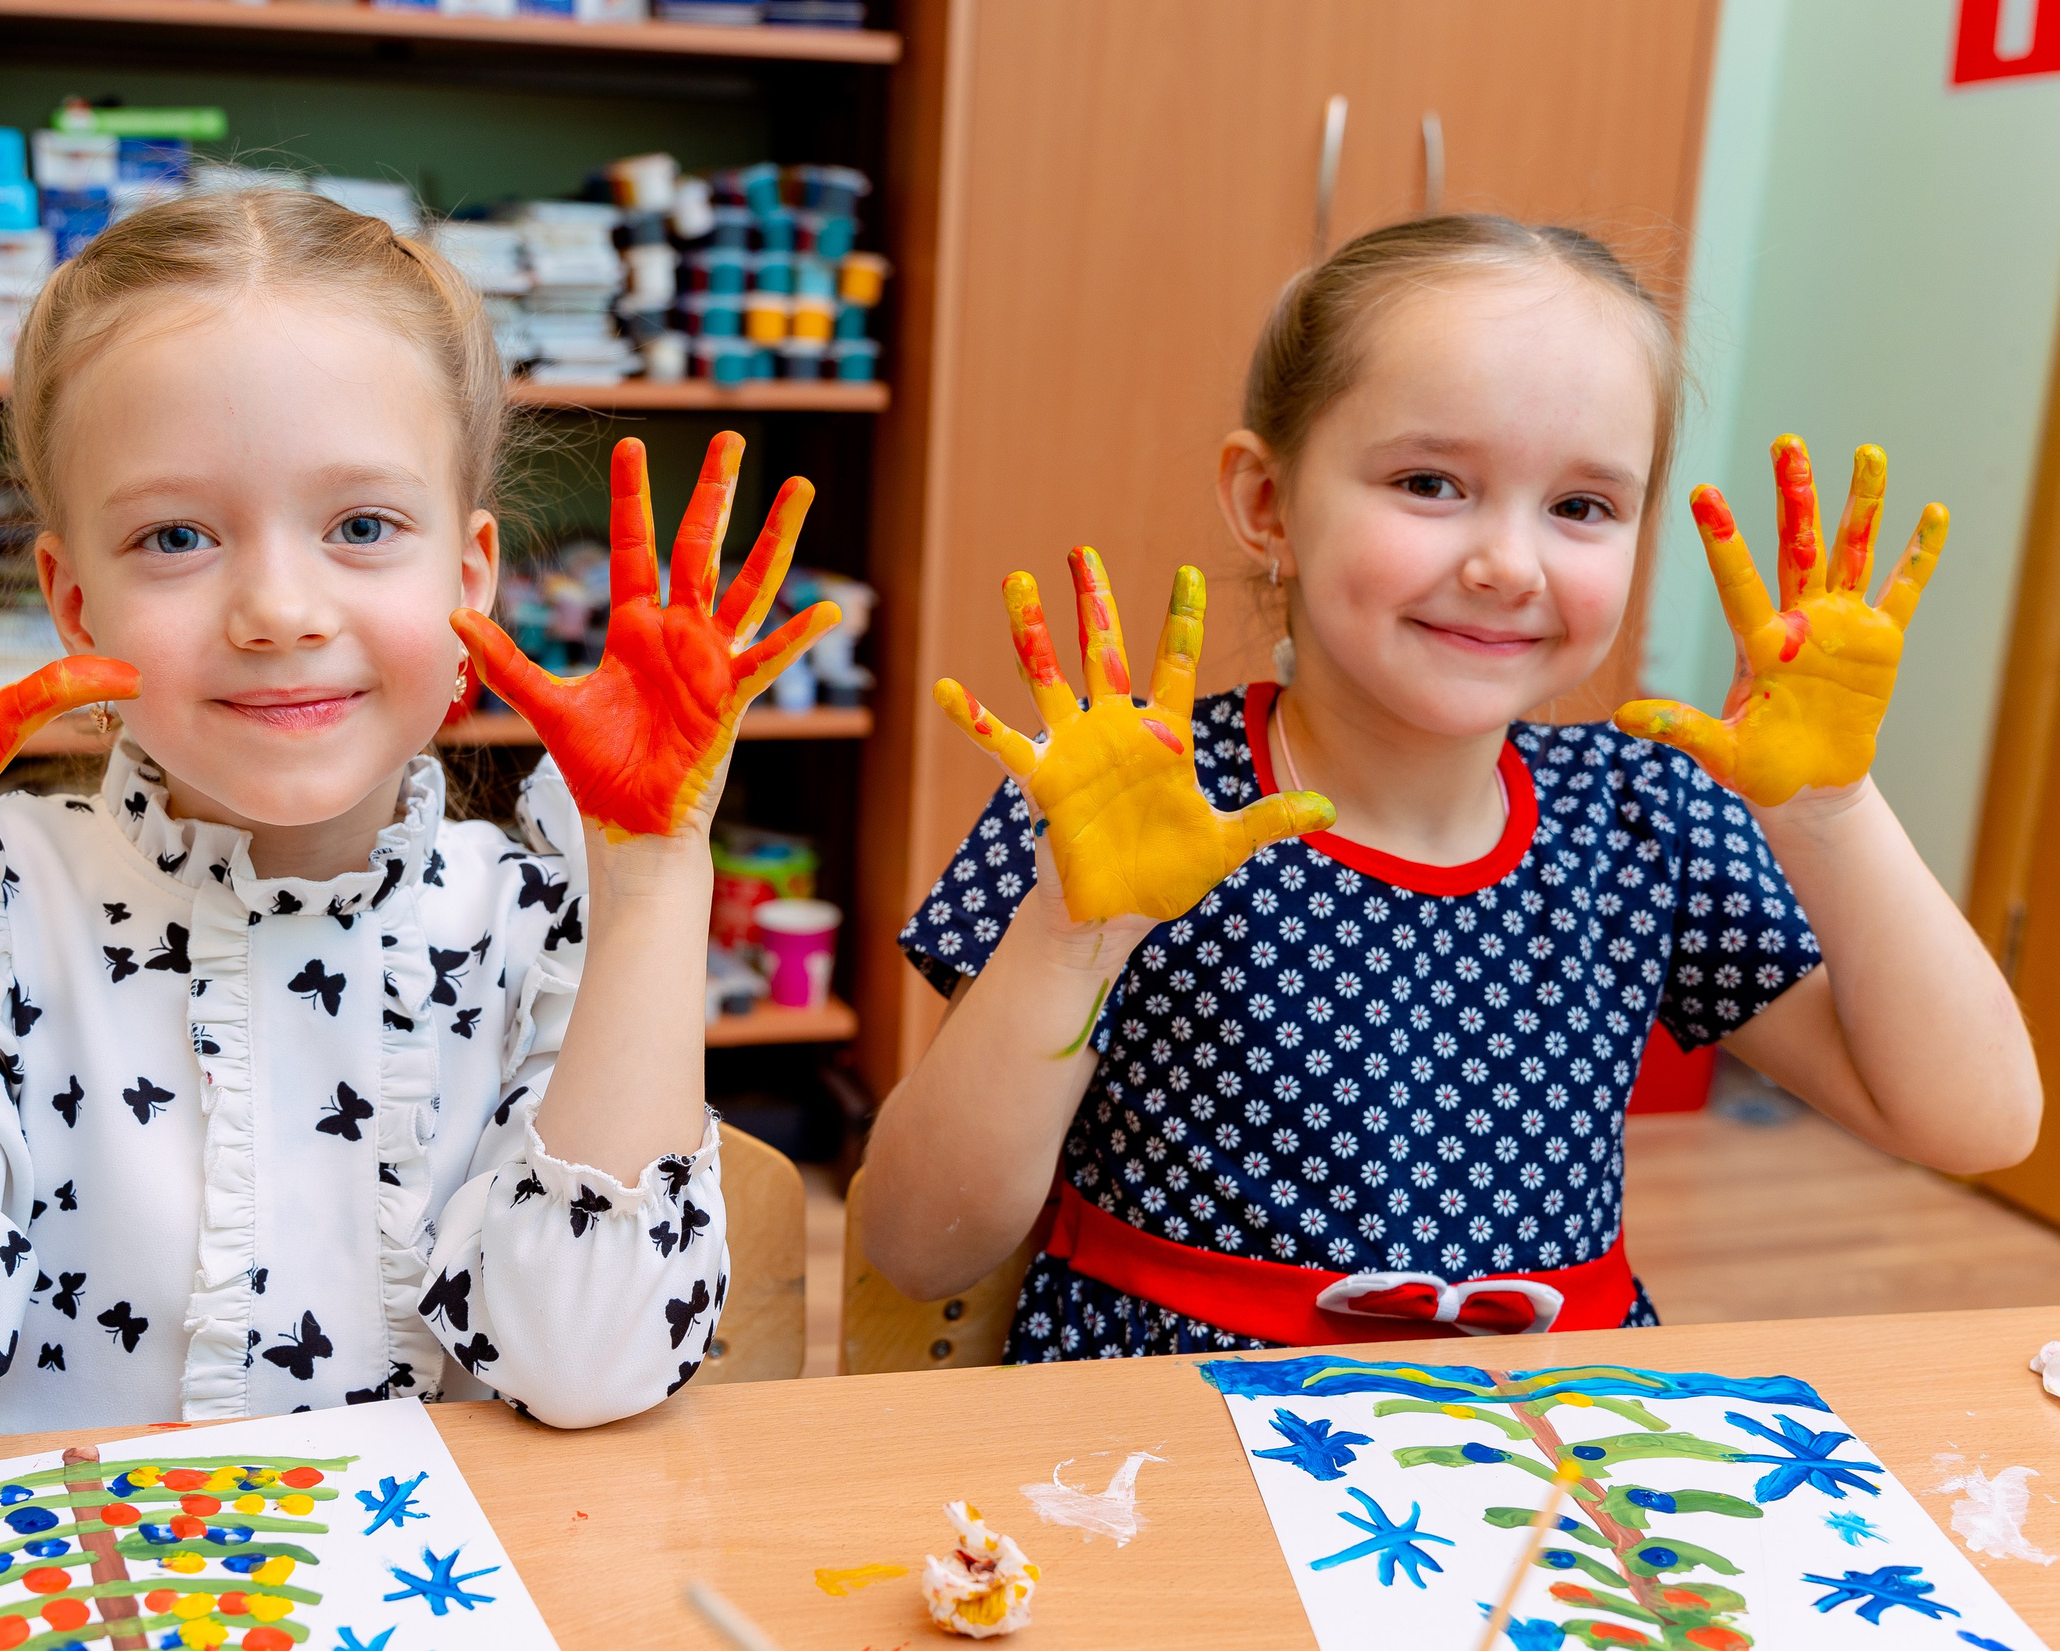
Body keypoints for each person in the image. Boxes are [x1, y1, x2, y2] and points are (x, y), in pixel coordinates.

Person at [0, 190, 832, 1484]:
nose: (279, 608)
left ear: (469, 578)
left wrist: (652, 878)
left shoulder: (540, 918)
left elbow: (591, 1367)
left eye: (361, 526)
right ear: (74, 600)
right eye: (176, 536)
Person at [861, 213, 2037, 1361]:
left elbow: (1973, 1121)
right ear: (1267, 504)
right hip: (1167, 1450)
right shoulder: (1131, 804)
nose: (1507, 564)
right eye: (1430, 483)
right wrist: (1075, 930)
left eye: (1581, 507)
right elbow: (919, 1249)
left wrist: (1827, 810)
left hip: (1533, 1451)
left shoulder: (1644, 817)